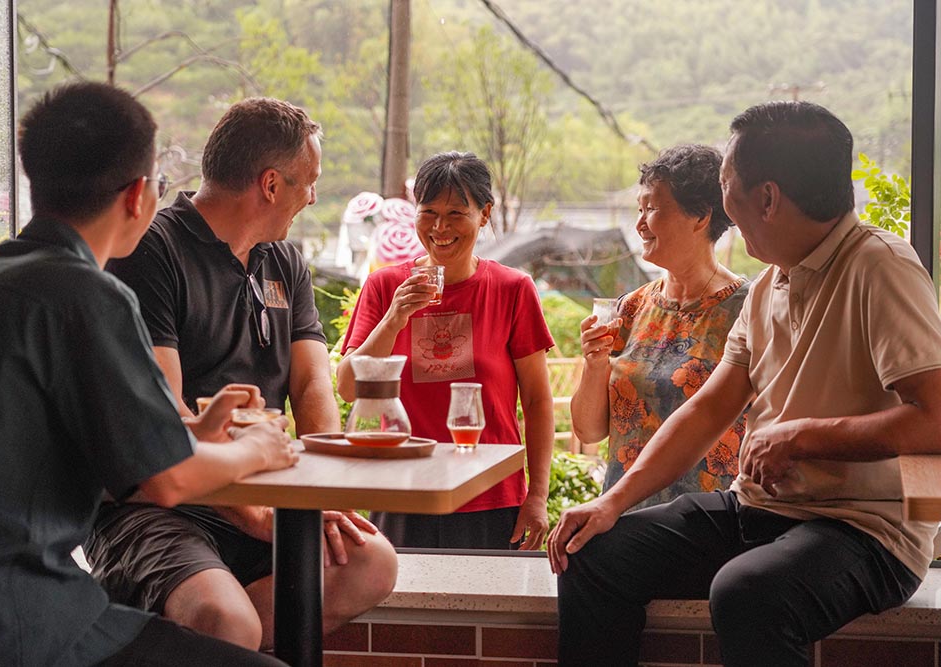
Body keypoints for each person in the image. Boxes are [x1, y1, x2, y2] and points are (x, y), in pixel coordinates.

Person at [549, 101, 941, 667]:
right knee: (594, 551)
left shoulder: (881, 267)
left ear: (767, 199)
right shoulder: (767, 287)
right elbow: (708, 412)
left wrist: (803, 436)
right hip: (759, 510)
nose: (723, 201)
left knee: (748, 593)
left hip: (864, 531)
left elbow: (934, 417)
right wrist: (612, 502)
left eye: (727, 184)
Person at [0, 82, 296, 666]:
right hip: (17, 620)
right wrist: (258, 448)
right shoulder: (86, 293)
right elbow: (166, 483)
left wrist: (196, 430)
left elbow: (95, 453)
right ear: (139, 196)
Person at [85, 96, 398, 651]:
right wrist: (256, 517)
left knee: (370, 562)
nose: (313, 197)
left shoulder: (285, 261)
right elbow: (166, 414)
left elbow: (310, 384)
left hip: (264, 495)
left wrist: (321, 494)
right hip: (160, 505)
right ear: (271, 184)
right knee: (226, 620)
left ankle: (204, 651)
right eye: (308, 183)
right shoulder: (151, 249)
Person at [337, 151, 555, 550]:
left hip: (490, 493)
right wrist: (394, 317)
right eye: (429, 211)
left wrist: (537, 496)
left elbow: (538, 401)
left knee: (486, 609)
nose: (440, 227)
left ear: (484, 214)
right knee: (400, 610)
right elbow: (350, 388)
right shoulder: (385, 287)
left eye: (457, 213)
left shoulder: (512, 289)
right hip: (403, 490)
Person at [571, 144, 749, 508]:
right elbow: (589, 430)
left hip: (707, 524)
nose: (638, 224)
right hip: (622, 516)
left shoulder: (749, 309)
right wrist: (594, 363)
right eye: (639, 210)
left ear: (700, 217)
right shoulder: (631, 308)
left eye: (651, 209)